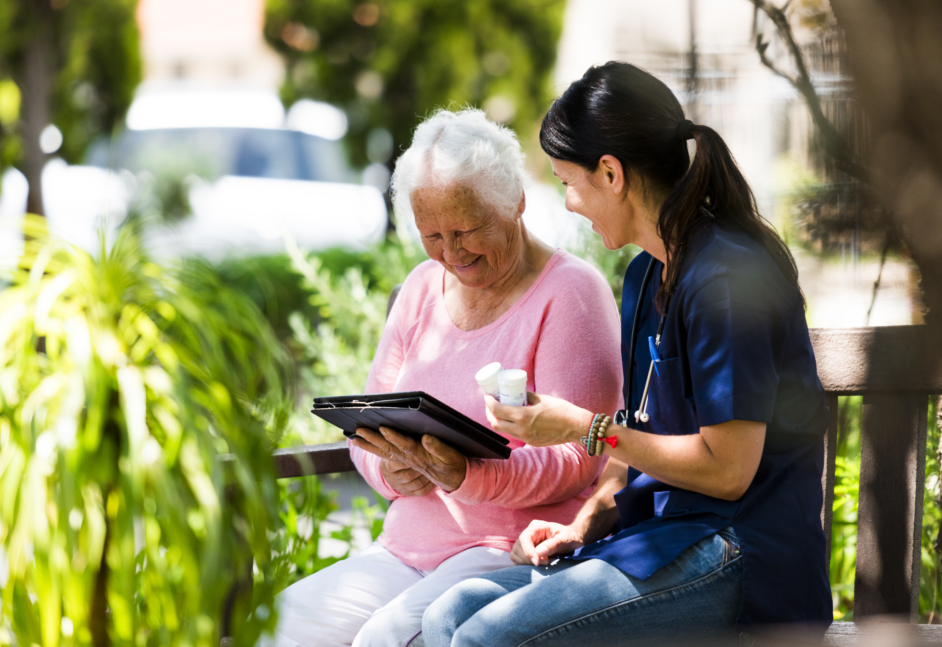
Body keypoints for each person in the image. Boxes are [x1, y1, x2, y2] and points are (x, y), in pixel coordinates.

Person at [422, 63, 833, 647]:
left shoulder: (726, 277)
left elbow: (728, 468)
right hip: (664, 539)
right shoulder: (646, 275)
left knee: (484, 639)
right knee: (449, 615)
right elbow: (642, 427)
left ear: (611, 173)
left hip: (742, 555)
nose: (568, 203)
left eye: (569, 181)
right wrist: (584, 523)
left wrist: (585, 429)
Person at [267, 109, 625, 647]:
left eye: (466, 230)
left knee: (383, 641)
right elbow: (366, 427)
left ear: (515, 203)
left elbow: (579, 459)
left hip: (508, 550)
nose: (451, 253)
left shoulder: (572, 293)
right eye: (431, 234)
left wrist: (465, 476)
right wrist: (394, 469)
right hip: (403, 551)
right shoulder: (419, 289)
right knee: (280, 625)